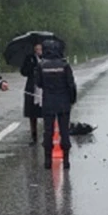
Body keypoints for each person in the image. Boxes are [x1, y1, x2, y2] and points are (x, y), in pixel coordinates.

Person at [35, 39, 77, 170]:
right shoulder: (65, 65)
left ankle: (47, 160)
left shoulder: (41, 65)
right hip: (63, 101)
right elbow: (71, 84)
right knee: (64, 131)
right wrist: (72, 99)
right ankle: (66, 161)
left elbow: (39, 83)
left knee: (48, 131)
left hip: (48, 102)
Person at [20, 42, 44, 145]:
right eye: (37, 48)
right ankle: (33, 136)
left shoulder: (47, 57)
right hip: (32, 87)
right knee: (32, 113)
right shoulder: (29, 58)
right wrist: (32, 68)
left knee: (46, 112)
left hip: (44, 87)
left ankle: (48, 135)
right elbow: (23, 71)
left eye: (40, 48)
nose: (39, 50)